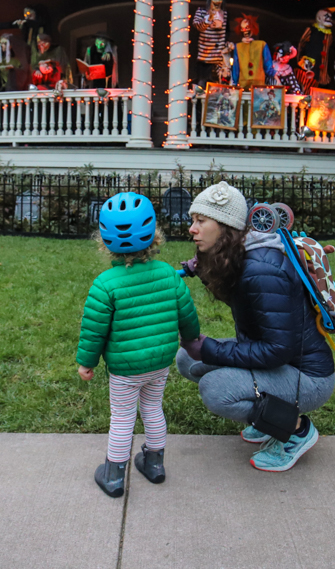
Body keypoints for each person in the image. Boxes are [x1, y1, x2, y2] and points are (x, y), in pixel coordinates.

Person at [177, 181, 335, 472]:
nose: (192, 228)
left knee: (215, 389)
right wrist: (201, 269)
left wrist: (209, 349)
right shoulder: (242, 255)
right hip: (282, 364)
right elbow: (243, 303)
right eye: (192, 220)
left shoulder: (262, 269)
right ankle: (268, 416)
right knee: (187, 360)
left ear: (225, 226)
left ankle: (296, 431)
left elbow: (277, 350)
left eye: (201, 221)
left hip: (308, 377)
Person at [77, 193, 201, 497]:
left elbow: (93, 331)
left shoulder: (105, 284)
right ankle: (155, 463)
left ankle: (114, 475)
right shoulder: (169, 276)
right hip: (159, 363)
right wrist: (191, 339)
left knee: (122, 418)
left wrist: (87, 362)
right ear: (154, 237)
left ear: (104, 242)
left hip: (124, 369)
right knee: (152, 408)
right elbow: (188, 315)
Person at [192, 0, 229, 86]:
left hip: (218, 58)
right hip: (205, 56)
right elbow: (198, 26)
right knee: (202, 84)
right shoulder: (201, 11)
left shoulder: (224, 14)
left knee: (219, 85)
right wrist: (209, 18)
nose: (217, 1)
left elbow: (225, 32)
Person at [228, 15, 274, 90]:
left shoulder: (262, 44)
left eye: (247, 27)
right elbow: (236, 66)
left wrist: (275, 75)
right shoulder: (238, 46)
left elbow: (267, 64)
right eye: (242, 28)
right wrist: (234, 83)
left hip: (258, 85)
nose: (245, 30)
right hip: (243, 84)